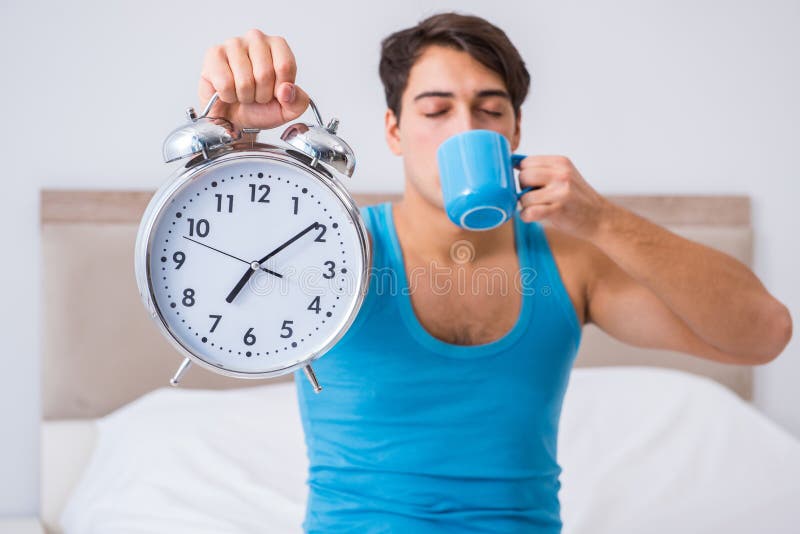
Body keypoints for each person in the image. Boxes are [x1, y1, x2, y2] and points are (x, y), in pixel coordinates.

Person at [198, 12, 793, 533]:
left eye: (491, 109)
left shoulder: (569, 260)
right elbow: (218, 268)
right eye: (436, 109)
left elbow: (763, 333)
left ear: (514, 132)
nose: (467, 129)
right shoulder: (335, 245)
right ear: (394, 132)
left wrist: (604, 220)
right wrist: (234, 137)